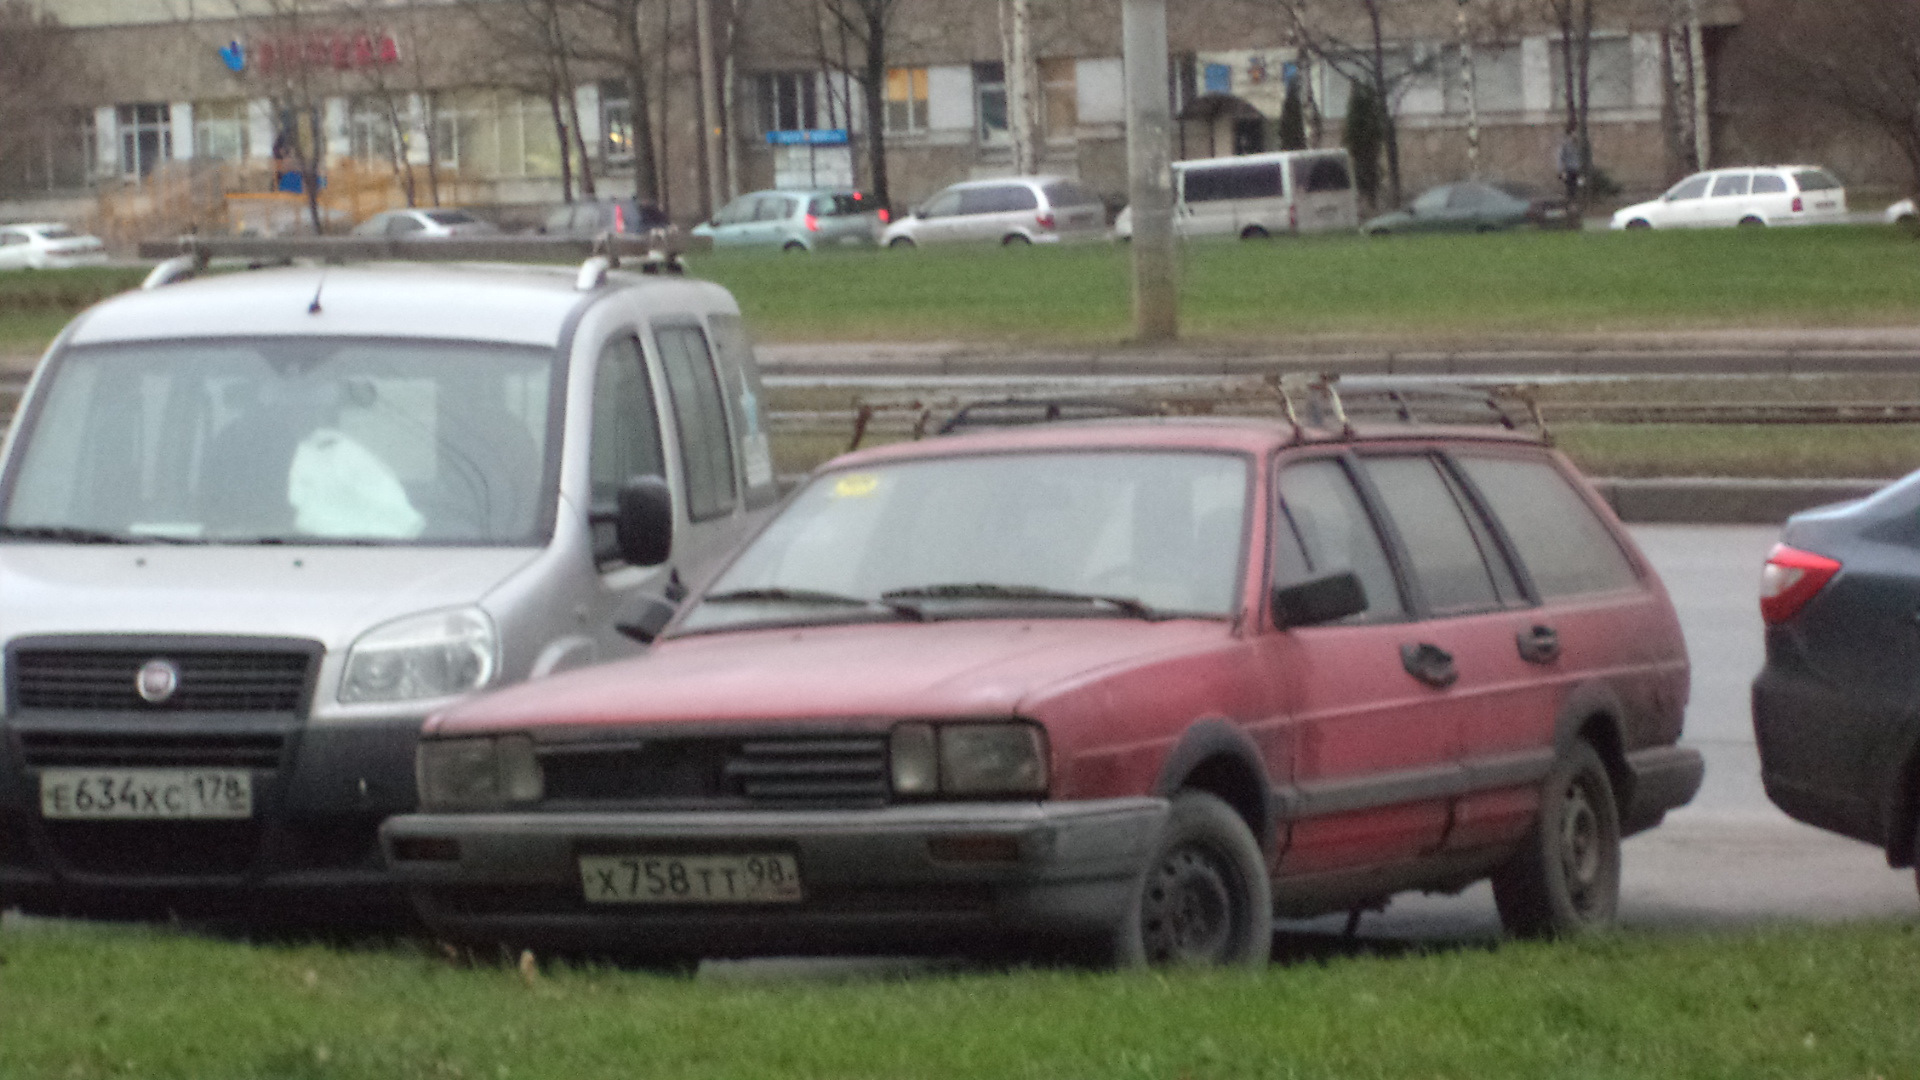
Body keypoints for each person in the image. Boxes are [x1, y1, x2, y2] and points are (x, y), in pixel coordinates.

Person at [1556, 124, 1583, 208]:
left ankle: (1578, 204)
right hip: (1569, 170)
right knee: (1571, 188)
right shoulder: (1565, 145)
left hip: (1578, 170)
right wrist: (1562, 171)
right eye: (1574, 133)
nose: (1575, 135)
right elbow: (1561, 158)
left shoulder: (1580, 145)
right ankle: (1571, 205)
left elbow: (1583, 158)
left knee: (1579, 187)